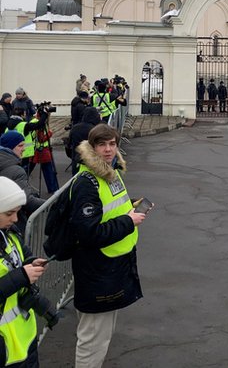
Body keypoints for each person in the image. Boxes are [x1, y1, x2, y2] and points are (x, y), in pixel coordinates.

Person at [71, 124, 146, 367]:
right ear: (92, 147)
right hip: (97, 268)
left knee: (101, 338)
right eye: (102, 144)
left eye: (112, 144)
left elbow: (109, 209)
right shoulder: (87, 182)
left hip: (113, 266)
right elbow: (89, 232)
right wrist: (128, 220)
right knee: (92, 339)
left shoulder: (110, 173)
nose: (108, 149)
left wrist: (129, 207)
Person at [0, 176, 47, 367]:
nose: (15, 219)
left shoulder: (8, 233)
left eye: (17, 212)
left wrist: (31, 261)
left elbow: (19, 254)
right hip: (6, 349)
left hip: (23, 339)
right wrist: (22, 276)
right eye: (9, 213)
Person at [0, 132, 43, 234]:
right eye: (20, 146)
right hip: (14, 225)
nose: (23, 149)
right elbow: (27, 201)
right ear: (10, 147)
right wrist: (52, 203)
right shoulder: (16, 170)